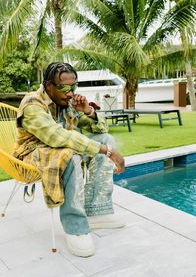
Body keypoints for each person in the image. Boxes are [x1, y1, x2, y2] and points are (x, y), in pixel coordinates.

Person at [14, 62, 125, 257]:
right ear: (48, 85)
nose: (70, 93)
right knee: (72, 155)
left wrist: (87, 110)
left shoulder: (66, 103)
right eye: (64, 88)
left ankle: (97, 212)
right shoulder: (33, 104)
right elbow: (57, 137)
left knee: (106, 140)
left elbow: (101, 131)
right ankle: (76, 227)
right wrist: (107, 151)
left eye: (73, 87)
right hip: (31, 155)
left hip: (59, 150)